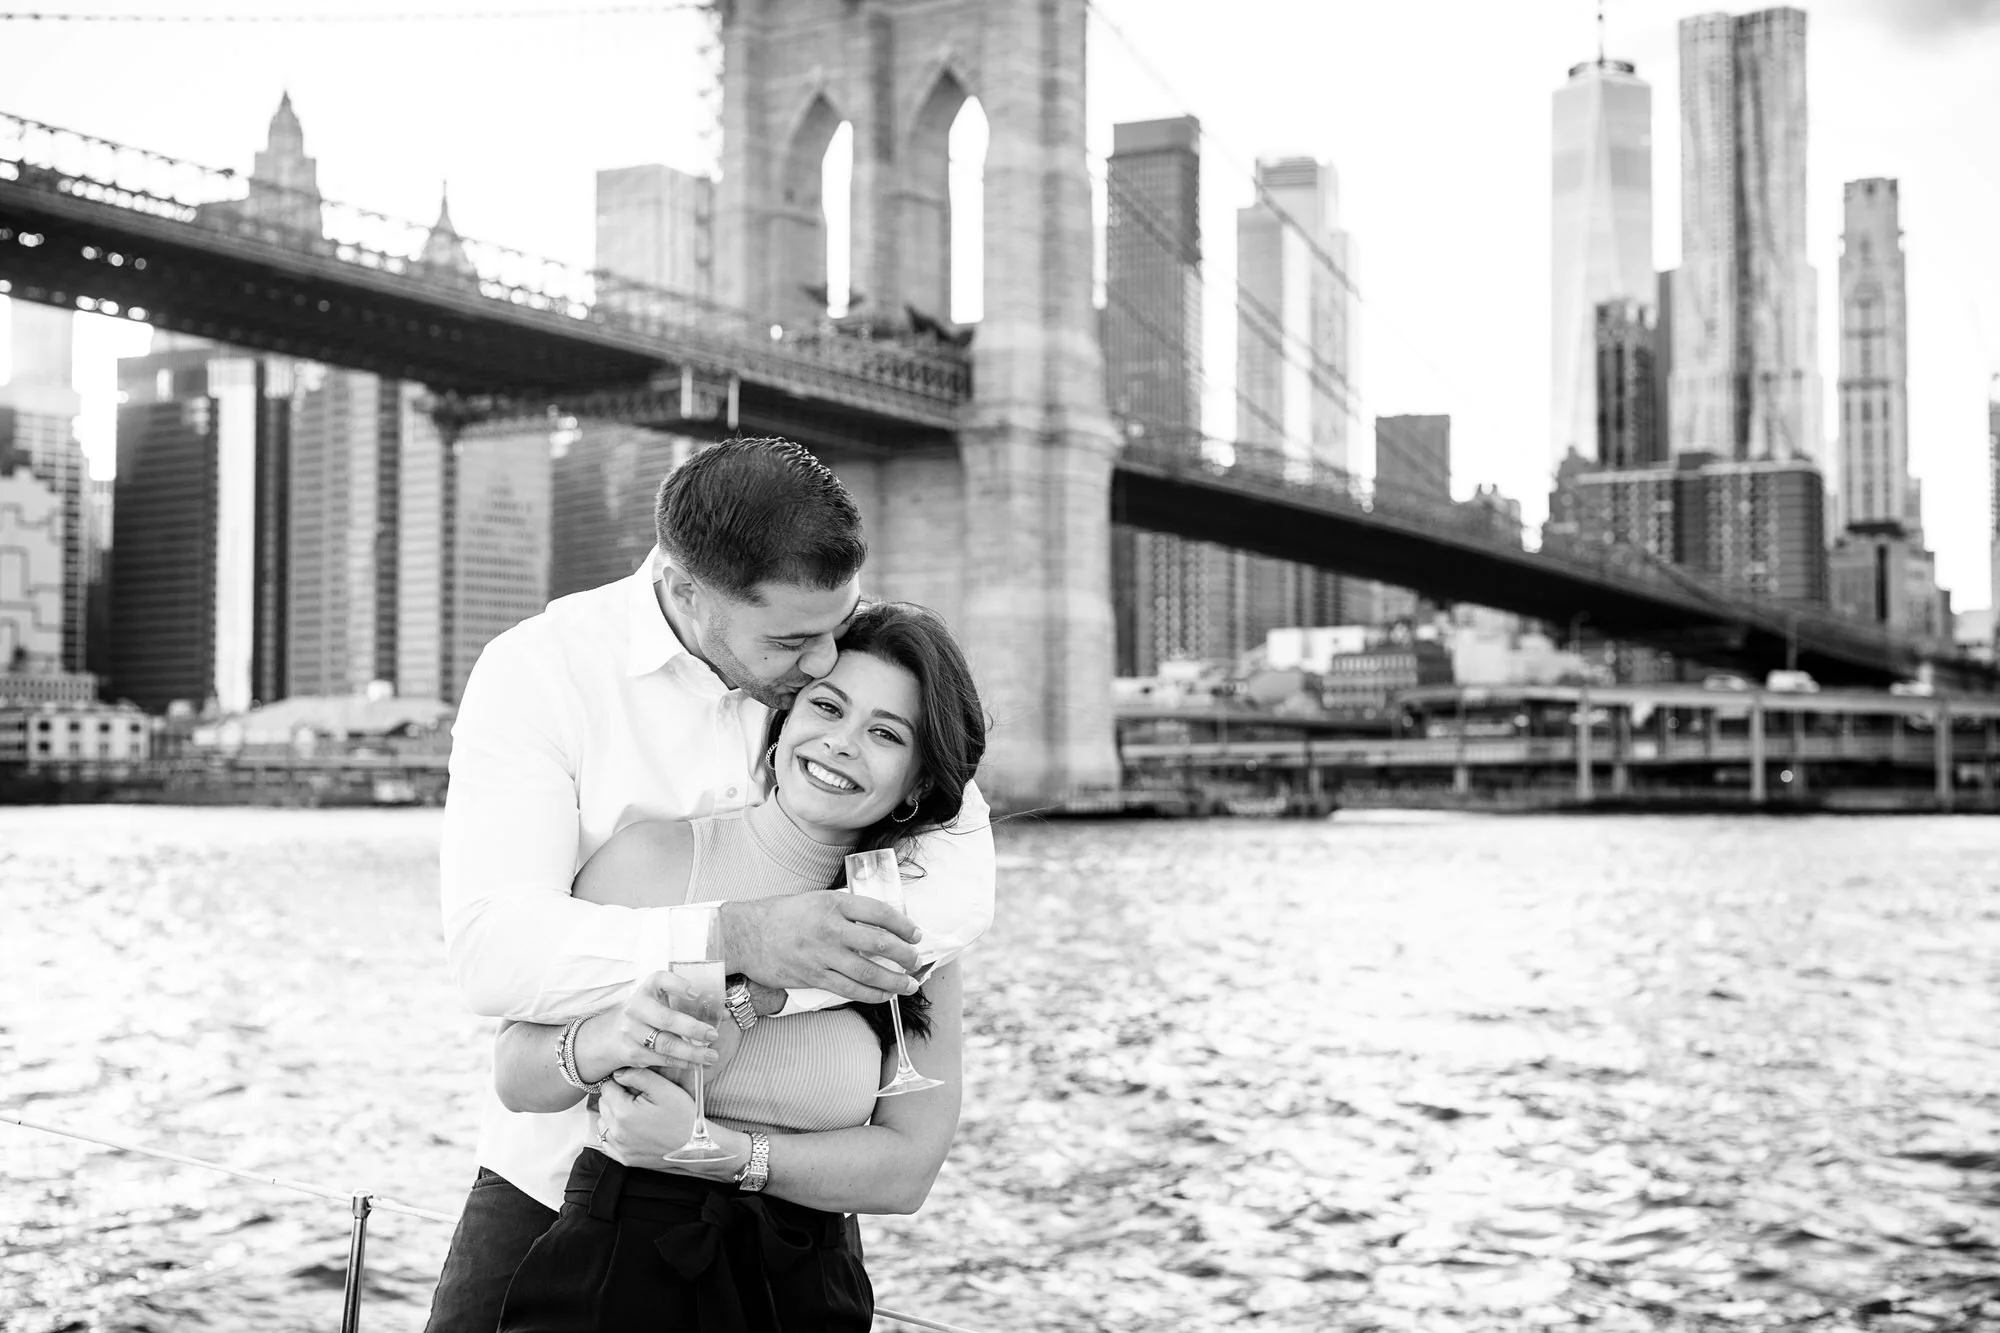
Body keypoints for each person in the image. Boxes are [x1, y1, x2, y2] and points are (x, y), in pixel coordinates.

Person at [426, 439, 995, 1333]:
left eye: (836, 629)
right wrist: (735, 939)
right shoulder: (541, 672)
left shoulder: (850, 662)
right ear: (687, 589)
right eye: (793, 644)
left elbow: (958, 878)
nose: (821, 666)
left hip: (789, 1240)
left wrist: (774, 989)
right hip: (562, 1192)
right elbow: (495, 954)